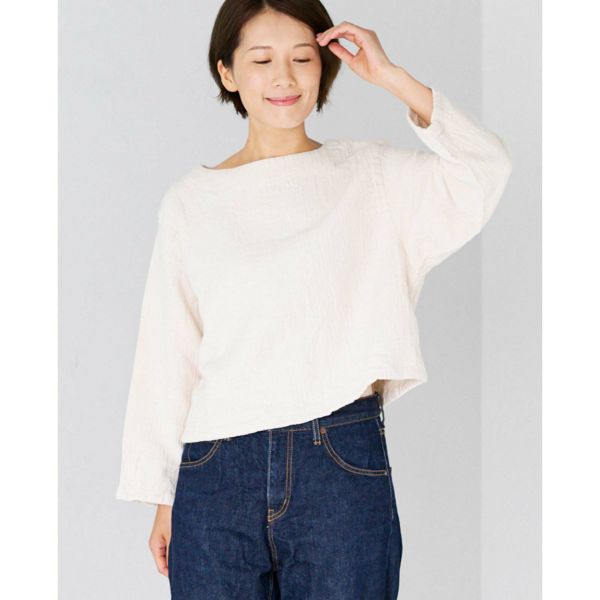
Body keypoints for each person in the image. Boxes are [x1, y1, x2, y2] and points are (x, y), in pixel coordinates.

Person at [115, 1, 512, 598]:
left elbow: (486, 168)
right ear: (227, 72)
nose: (284, 77)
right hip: (214, 472)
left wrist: (391, 77)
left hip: (338, 463)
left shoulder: (371, 176)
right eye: (262, 60)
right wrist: (163, 495)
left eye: (302, 58)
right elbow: (169, 352)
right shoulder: (190, 202)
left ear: (325, 66)